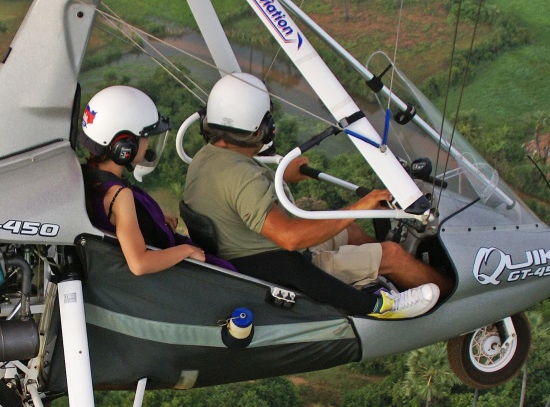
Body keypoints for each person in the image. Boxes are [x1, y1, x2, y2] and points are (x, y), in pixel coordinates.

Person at [182, 72, 443, 319]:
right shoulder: (242, 178)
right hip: (285, 266)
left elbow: (233, 192)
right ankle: (452, 303)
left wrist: (281, 176)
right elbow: (291, 238)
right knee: (392, 254)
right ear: (260, 128)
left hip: (247, 249)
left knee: (349, 232)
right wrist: (359, 206)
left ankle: (386, 275)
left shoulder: (208, 157)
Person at [80, 85, 216, 275]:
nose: (150, 143)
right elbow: (139, 264)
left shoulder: (85, 175)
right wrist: (186, 250)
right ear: (124, 146)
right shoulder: (119, 196)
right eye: (146, 138)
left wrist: (153, 221)